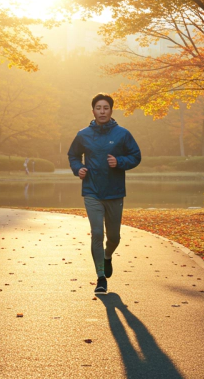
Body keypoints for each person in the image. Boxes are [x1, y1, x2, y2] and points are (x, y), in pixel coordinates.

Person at [68, 93, 142, 294]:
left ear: (111, 110)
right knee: (97, 233)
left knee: (114, 237)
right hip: (92, 191)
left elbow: (136, 156)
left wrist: (119, 162)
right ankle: (101, 277)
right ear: (93, 111)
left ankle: (107, 256)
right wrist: (78, 169)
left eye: (106, 108)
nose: (102, 111)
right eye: (98, 108)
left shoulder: (122, 134)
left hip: (115, 192)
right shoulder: (83, 134)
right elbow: (73, 155)